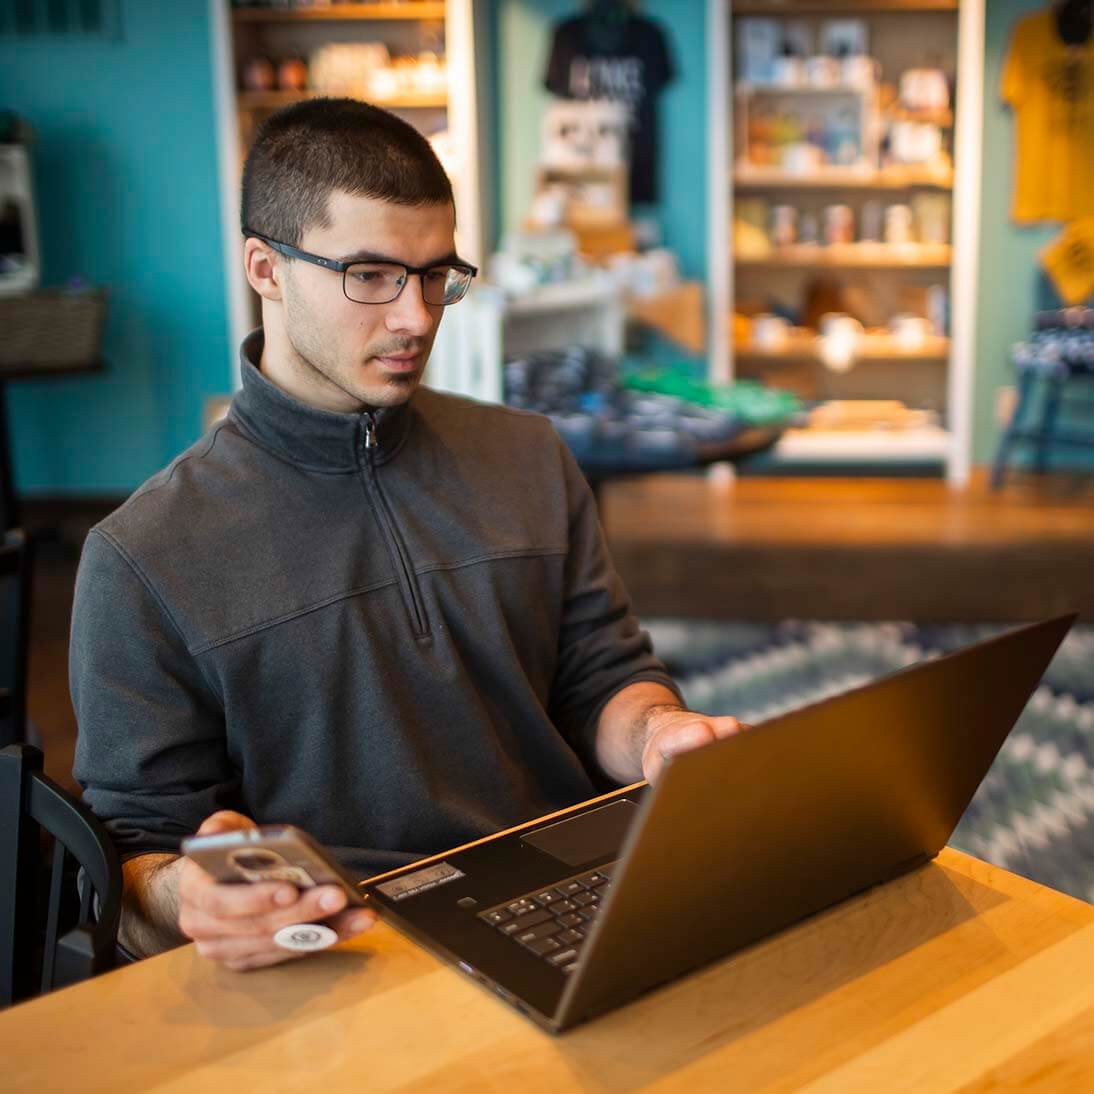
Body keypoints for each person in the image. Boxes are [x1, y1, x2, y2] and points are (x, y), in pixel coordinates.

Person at [71, 99, 747, 973]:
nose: (417, 318)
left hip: (576, 900)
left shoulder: (529, 455)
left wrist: (656, 732)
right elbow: (134, 861)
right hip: (349, 950)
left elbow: (601, 678)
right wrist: (189, 899)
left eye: (436, 275)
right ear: (266, 269)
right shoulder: (142, 556)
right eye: (370, 275)